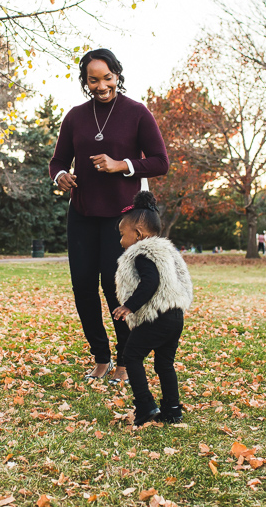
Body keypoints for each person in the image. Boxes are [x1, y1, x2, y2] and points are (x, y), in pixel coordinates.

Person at [49, 48, 170, 384]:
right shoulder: (75, 116)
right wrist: (60, 177)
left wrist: (123, 165)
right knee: (82, 288)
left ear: (117, 75)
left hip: (122, 218)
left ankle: (125, 361)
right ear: (85, 81)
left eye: (107, 78)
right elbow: (58, 160)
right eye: (93, 80)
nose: (101, 85)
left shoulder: (137, 113)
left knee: (116, 290)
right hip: (82, 213)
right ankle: (100, 357)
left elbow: (160, 161)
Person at [112, 191, 192, 426]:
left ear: (137, 234)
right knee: (164, 363)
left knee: (131, 355)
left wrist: (129, 306)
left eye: (122, 235)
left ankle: (145, 405)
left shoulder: (142, 253)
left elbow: (151, 282)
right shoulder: (167, 252)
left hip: (157, 315)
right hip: (175, 315)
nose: (120, 241)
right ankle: (173, 409)